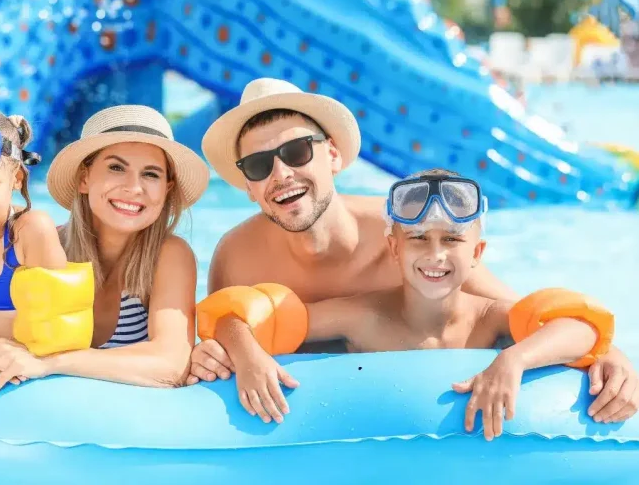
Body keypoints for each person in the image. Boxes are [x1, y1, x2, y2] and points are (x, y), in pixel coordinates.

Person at [188, 77, 639, 426]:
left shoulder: (412, 233)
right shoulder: (236, 256)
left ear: (333, 156)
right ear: (247, 186)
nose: (282, 173)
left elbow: (518, 314)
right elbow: (221, 336)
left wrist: (606, 352)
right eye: (260, 165)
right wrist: (223, 353)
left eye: (297, 152)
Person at [197, 169, 616, 441]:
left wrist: (513, 361)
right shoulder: (361, 316)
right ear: (393, 250)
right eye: (418, 239)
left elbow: (578, 325)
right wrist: (247, 351)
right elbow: (257, 315)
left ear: (477, 253)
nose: (435, 255)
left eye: (452, 240)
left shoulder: (488, 319)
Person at [0, 105, 210, 413]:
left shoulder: (168, 256)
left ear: (167, 187)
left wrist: (48, 362)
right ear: (84, 178)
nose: (133, 188)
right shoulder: (38, 245)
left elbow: (171, 363)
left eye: (151, 174)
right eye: (116, 168)